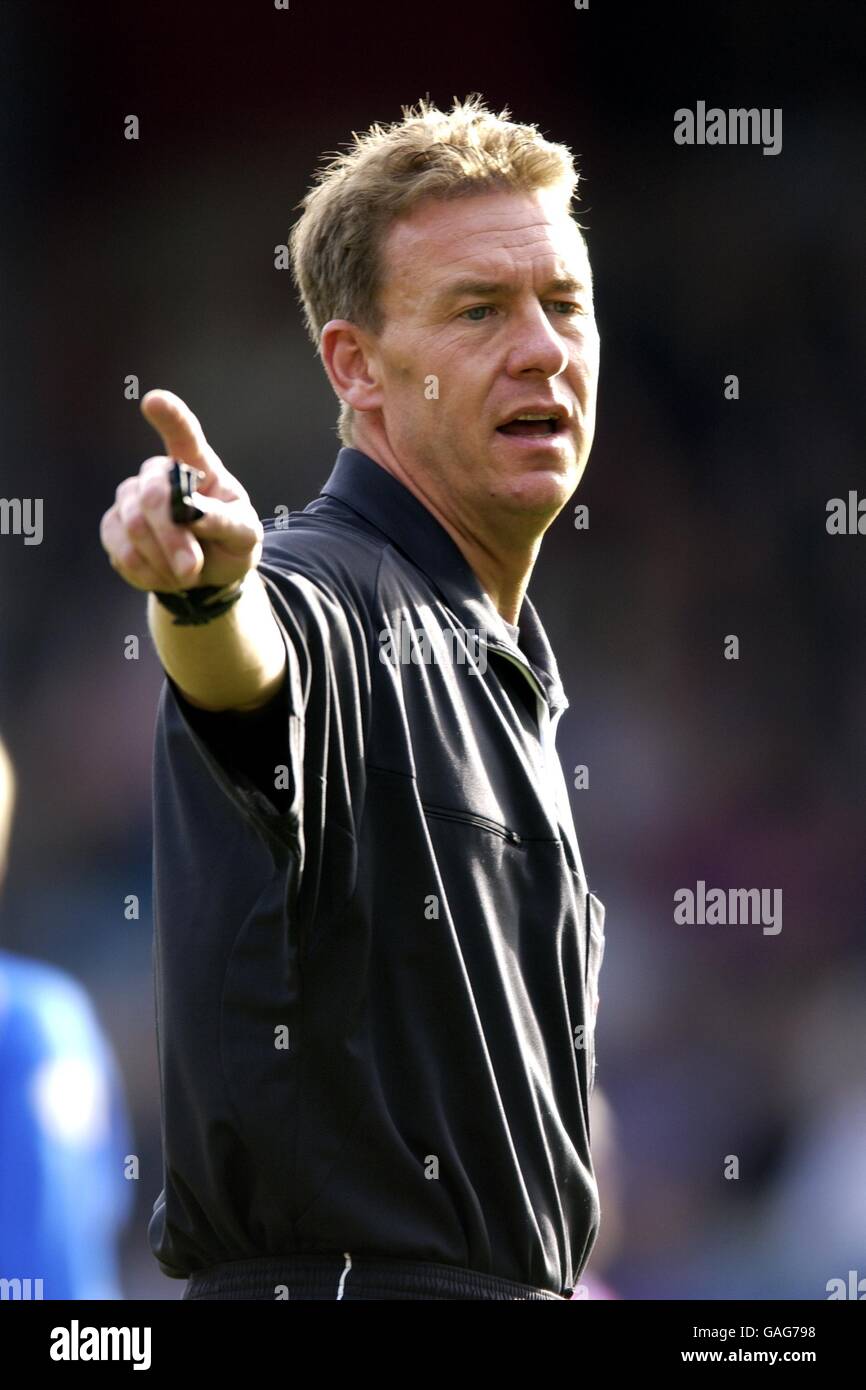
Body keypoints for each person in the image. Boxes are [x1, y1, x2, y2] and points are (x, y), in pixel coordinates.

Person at [99, 94, 606, 1301]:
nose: (539, 346)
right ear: (358, 368)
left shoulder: (499, 652)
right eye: (478, 310)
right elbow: (253, 675)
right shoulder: (325, 588)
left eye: (563, 303)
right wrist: (208, 598)